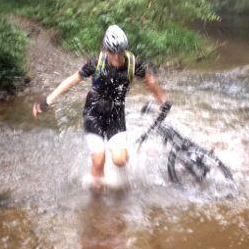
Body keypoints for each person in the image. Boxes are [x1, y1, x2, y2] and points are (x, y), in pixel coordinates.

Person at [33, 25, 170, 187]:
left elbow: (150, 81)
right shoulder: (97, 62)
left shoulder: (132, 64)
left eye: (120, 52)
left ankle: (124, 161)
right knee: (99, 161)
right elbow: (71, 80)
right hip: (93, 113)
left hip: (116, 114)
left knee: (119, 160)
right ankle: (97, 204)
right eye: (112, 52)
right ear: (106, 49)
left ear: (124, 50)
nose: (116, 57)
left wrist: (162, 100)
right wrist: (48, 101)